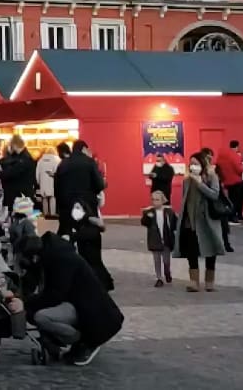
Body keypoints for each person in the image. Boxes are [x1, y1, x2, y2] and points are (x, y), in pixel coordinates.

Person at [21, 231, 125, 366]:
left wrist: (26, 304)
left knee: (41, 317)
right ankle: (64, 341)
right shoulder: (51, 254)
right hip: (77, 304)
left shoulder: (61, 260)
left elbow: (54, 295)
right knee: (37, 313)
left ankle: (81, 341)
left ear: (34, 256)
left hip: (91, 313)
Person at [174, 151, 224, 292]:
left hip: (207, 221)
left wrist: (200, 183)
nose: (193, 166)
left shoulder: (211, 177)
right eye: (191, 164)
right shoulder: (187, 180)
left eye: (196, 164)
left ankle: (209, 282)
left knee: (210, 250)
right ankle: (194, 282)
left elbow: (214, 195)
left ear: (202, 164)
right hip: (190, 220)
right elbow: (186, 199)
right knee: (191, 251)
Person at [53, 141, 105, 236]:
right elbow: (99, 185)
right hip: (87, 208)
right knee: (88, 240)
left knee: (66, 237)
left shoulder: (63, 164)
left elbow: (56, 188)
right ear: (84, 149)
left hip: (67, 208)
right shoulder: (90, 162)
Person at [141, 190, 177, 287]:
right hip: (154, 240)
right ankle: (159, 278)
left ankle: (167, 272)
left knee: (166, 261)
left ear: (162, 201)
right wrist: (146, 216)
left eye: (157, 200)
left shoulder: (169, 212)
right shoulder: (149, 212)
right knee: (156, 260)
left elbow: (175, 224)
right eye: (153, 200)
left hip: (166, 240)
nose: (155, 202)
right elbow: (144, 223)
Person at [0, 135, 36, 211]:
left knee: (23, 219)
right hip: (22, 193)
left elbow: (9, 174)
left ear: (14, 145)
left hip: (21, 194)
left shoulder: (23, 160)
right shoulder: (24, 157)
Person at [36, 143, 63, 217]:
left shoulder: (40, 161)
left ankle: (45, 213)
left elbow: (37, 173)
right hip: (53, 182)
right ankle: (52, 213)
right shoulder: (57, 160)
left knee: (44, 198)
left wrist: (38, 182)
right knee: (52, 197)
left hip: (43, 183)